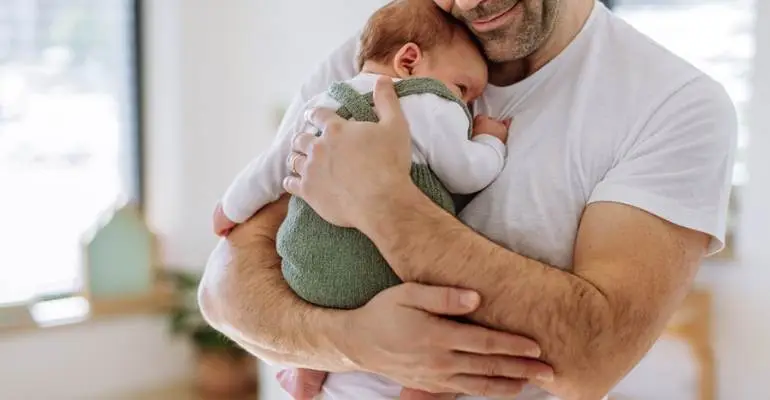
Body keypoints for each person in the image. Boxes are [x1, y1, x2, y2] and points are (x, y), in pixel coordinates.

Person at [199, 0, 737, 399]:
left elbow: (591, 359)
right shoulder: (382, 53)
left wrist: (381, 201)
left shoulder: (674, 104)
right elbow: (224, 293)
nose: (469, 3)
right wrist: (351, 339)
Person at [211, 2, 510, 397]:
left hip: (307, 269)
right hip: (381, 275)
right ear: (409, 60)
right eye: (463, 88)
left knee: (316, 307)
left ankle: (308, 364)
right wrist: (490, 140)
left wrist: (229, 208)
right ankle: (421, 389)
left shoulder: (326, 100)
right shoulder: (430, 103)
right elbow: (467, 171)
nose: (468, 105)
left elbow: (274, 166)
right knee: (448, 309)